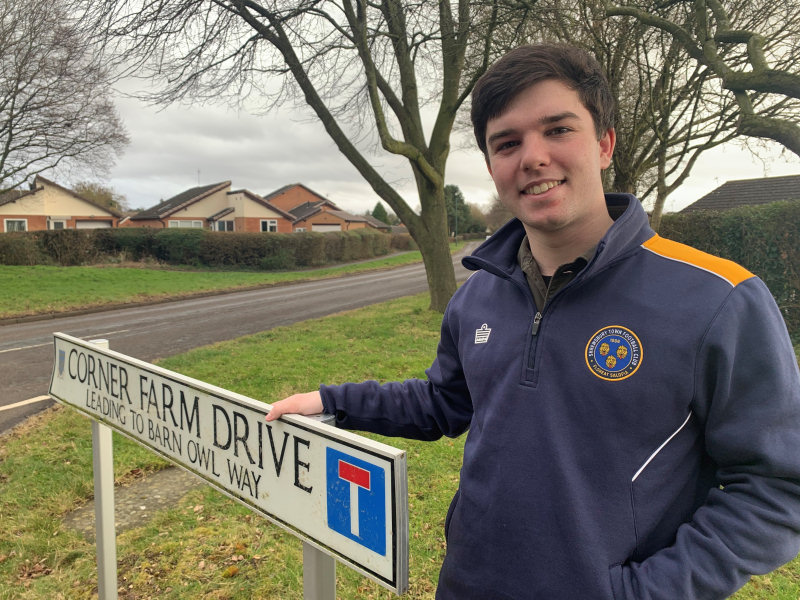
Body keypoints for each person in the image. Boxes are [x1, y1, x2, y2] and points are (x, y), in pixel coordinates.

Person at [266, 43, 800, 599]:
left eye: (558, 130)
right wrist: (334, 402)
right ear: (494, 166)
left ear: (604, 144)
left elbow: (775, 485)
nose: (533, 157)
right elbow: (446, 402)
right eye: (508, 143)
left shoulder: (719, 298)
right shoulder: (479, 295)